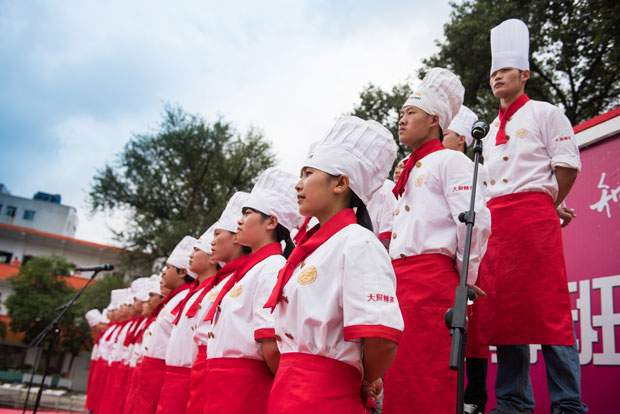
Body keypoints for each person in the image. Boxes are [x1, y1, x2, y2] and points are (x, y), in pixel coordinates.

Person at [474, 19, 586, 414]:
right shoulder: (485, 133)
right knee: (505, 313)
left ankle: (568, 403)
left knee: (549, 310)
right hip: (497, 226)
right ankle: (513, 402)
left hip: (534, 221)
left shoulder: (545, 112)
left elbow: (567, 166)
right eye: (492, 73)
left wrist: (549, 203)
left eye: (504, 71)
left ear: (524, 73)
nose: (496, 78)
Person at [265, 116, 404, 413]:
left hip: (326, 398)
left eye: (308, 174)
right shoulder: (310, 251)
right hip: (287, 393)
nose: (298, 184)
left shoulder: (358, 242)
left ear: (340, 183)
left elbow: (381, 336)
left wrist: (366, 376)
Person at [382, 68, 491, 414]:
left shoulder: (450, 160)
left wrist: (463, 280)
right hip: (402, 285)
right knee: (399, 376)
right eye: (400, 114)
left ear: (434, 120)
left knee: (430, 378)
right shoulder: (411, 169)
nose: (401, 120)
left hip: (433, 283)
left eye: (410, 113)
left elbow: (476, 222)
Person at [202, 168, 300, 414]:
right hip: (224, 382)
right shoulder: (250, 270)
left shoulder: (273, 267)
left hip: (246, 387)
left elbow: (271, 344)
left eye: (247, 214)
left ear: (271, 222)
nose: (239, 221)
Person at [444, 104, 491, 414]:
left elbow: (475, 222)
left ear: (462, 138)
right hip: (448, 263)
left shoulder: (472, 169)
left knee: (475, 333)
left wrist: (465, 269)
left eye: (445, 133)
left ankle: (475, 397)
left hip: (469, 261)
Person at [188, 192, 251, 414]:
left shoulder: (248, 274)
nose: (212, 242)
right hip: (206, 365)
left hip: (229, 370)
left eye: (217, 234)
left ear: (236, 237)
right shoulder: (221, 281)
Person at [133, 236, 198, 414]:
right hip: (152, 371)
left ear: (182, 273)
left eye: (168, 268)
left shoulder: (185, 297)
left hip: (164, 371)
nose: (164, 273)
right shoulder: (174, 300)